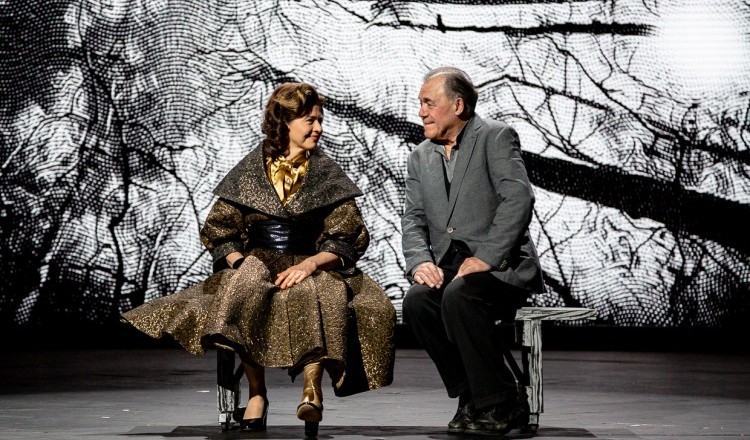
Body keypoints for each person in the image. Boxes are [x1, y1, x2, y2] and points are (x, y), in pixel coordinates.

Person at [122, 82, 395, 434]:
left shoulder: (328, 174)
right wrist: (240, 262)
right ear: (285, 122)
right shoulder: (251, 170)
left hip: (311, 260)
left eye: (320, 120)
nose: (318, 128)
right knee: (246, 288)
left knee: (319, 292)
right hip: (258, 260)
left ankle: (312, 390)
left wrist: (311, 264)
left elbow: (345, 234)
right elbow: (221, 229)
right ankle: (256, 394)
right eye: (310, 120)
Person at [401, 67, 545, 435]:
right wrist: (420, 262)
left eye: (429, 103)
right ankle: (471, 396)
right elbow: (413, 218)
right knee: (417, 301)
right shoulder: (420, 156)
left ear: (458, 105)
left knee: (460, 296)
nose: (421, 112)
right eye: (420, 104)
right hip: (450, 266)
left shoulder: (494, 136)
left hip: (501, 266)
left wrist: (487, 256)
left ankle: (502, 400)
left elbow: (518, 199)